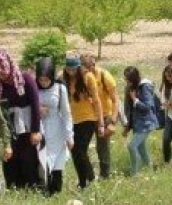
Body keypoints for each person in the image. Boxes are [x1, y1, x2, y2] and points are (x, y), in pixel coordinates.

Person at [0, 49, 42, 190]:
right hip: (9, 127)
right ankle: (14, 189)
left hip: (26, 126)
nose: (0, 74)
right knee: (10, 159)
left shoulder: (25, 79)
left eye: (2, 70)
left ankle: (32, 188)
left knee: (28, 159)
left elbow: (35, 104)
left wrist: (35, 130)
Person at [62, 53, 104, 189]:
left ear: (78, 67)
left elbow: (97, 101)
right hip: (72, 120)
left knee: (81, 150)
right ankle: (82, 182)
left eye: (74, 69)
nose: (71, 72)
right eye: (68, 69)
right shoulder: (63, 78)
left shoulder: (88, 77)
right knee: (75, 151)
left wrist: (101, 123)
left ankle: (91, 178)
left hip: (88, 119)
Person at [35, 57, 73, 194]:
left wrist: (69, 136)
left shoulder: (60, 89)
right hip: (40, 127)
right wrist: (38, 109)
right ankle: (44, 190)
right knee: (42, 159)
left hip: (56, 128)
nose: (44, 83)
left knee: (57, 160)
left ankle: (56, 191)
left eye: (47, 80)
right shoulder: (34, 88)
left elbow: (66, 113)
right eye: (41, 80)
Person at [81, 53, 119, 180]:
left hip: (106, 115)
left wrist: (113, 122)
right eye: (84, 68)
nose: (87, 71)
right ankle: (88, 176)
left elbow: (115, 99)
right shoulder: (80, 77)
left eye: (89, 67)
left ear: (94, 65)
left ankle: (105, 176)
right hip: (88, 116)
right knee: (81, 148)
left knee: (102, 148)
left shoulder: (104, 76)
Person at [121, 66, 158, 175]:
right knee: (141, 147)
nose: (127, 81)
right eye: (126, 79)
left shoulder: (144, 87)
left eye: (128, 79)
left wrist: (135, 99)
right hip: (137, 124)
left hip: (146, 123)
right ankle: (150, 168)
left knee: (132, 146)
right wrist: (127, 127)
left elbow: (147, 107)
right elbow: (129, 110)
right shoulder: (130, 87)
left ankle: (134, 173)